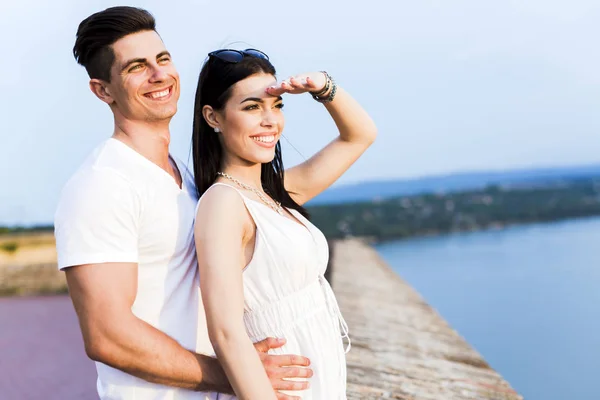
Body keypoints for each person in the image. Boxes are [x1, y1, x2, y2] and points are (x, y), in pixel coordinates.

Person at [54, 7, 312, 400]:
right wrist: (236, 374)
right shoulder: (101, 184)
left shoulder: (186, 177)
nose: (159, 75)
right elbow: (108, 336)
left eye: (163, 59)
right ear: (103, 90)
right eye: (136, 67)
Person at [192, 48, 377, 399]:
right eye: (251, 107)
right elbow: (227, 332)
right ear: (213, 117)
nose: (270, 121)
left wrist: (322, 87)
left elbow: (360, 135)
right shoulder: (222, 203)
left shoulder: (277, 192)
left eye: (276, 106)